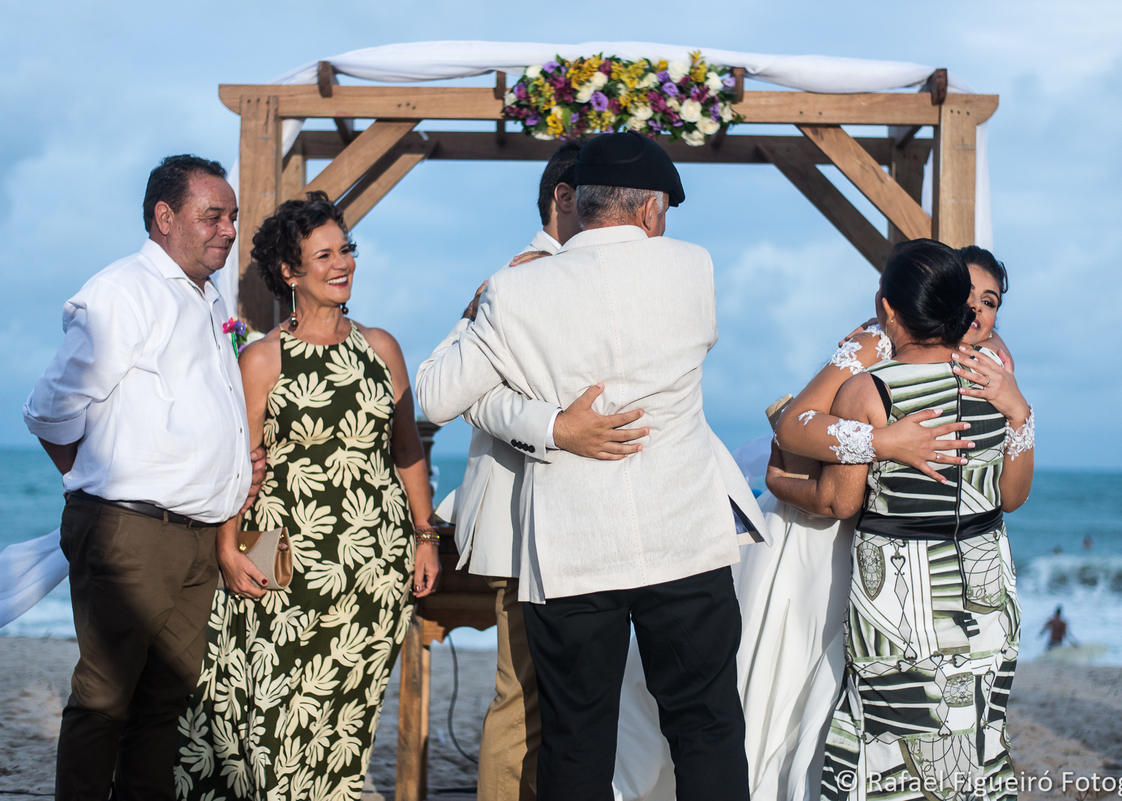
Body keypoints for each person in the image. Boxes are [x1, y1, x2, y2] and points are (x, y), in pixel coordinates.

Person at [416, 131, 768, 801]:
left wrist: (549, 423)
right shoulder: (693, 267)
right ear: (650, 211)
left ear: (579, 203)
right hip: (684, 536)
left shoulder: (514, 292)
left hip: (572, 548)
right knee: (707, 723)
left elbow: (435, 396)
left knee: (576, 736)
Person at [612, 245, 1012, 801]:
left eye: (987, 302)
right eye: (963, 296)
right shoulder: (875, 341)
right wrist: (880, 443)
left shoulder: (994, 362)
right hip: (828, 537)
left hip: (918, 555)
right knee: (808, 686)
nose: (972, 312)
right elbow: (797, 426)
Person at [176, 192, 440, 799]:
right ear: (290, 272)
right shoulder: (263, 358)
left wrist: (424, 539)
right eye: (323, 254)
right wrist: (225, 549)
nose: (341, 262)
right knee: (272, 718)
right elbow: (238, 468)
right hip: (285, 562)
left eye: (345, 248)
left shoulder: (382, 348)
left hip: (371, 570)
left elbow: (407, 451)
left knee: (345, 725)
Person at [22, 154, 263, 801]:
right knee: (104, 700)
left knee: (164, 705)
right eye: (213, 215)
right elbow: (48, 409)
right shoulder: (122, 292)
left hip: (195, 536)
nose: (228, 228)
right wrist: (91, 479)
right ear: (164, 217)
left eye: (233, 216)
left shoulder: (207, 297)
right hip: (131, 531)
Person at [430, 140, 649, 801]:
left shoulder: (615, 282)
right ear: (565, 198)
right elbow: (441, 394)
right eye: (600, 198)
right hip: (529, 524)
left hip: (606, 524)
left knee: (588, 703)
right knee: (523, 696)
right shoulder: (514, 278)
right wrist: (488, 300)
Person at [787, 239, 1033, 800]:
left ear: (887, 308)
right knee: (974, 739)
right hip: (987, 589)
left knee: (891, 742)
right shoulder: (996, 381)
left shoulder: (868, 388)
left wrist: (785, 480)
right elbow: (1013, 498)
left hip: (899, 598)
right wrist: (1020, 411)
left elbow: (837, 498)